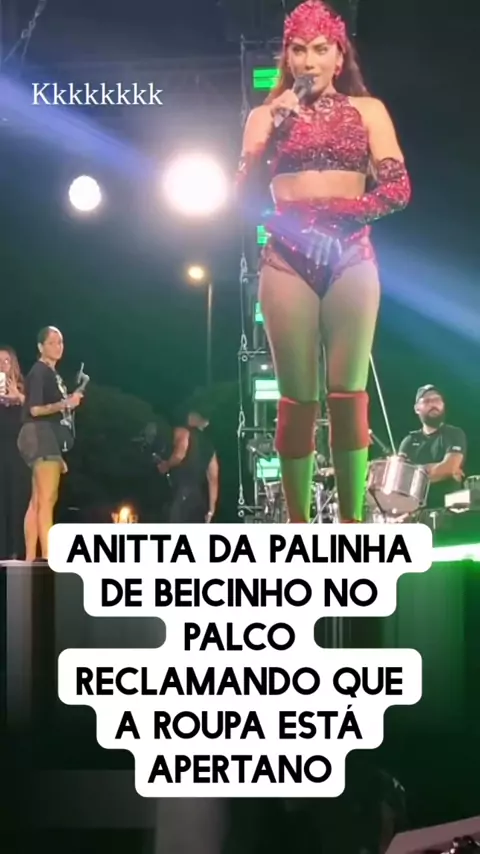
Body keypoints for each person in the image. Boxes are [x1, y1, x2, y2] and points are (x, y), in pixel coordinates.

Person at [237, 0, 411, 522]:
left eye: (320, 49)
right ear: (286, 57)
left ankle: (351, 527)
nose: (308, 61)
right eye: (298, 50)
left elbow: (398, 188)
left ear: (339, 55)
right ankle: (299, 528)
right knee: (297, 399)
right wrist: (271, 130)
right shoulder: (264, 117)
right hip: (287, 257)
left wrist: (334, 220)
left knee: (348, 393)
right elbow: (242, 199)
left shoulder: (368, 110)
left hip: (349, 252)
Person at [17, 327, 83, 560]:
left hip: (45, 437)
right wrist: (66, 404)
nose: (58, 346)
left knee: (37, 499)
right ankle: (46, 556)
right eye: (52, 342)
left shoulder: (52, 374)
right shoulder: (39, 371)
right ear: (40, 347)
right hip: (40, 434)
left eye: (60, 342)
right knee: (47, 498)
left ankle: (31, 556)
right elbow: (35, 409)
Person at [398, 385, 466, 509]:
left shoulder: (454, 433)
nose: (433, 404)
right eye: (427, 401)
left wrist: (414, 473)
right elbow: (400, 477)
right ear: (417, 408)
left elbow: (449, 467)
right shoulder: (409, 441)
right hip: (413, 511)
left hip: (448, 511)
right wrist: (438, 470)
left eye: (437, 400)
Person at [158, 409, 219, 522]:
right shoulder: (210, 447)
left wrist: (166, 465)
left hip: (180, 493)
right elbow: (213, 479)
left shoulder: (183, 432)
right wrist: (211, 510)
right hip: (198, 498)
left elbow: (179, 455)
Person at [0, 346, 30, 559]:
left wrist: (19, 398)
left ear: (13, 365)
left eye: (6, 361)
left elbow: (38, 413)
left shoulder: (25, 390)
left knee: (17, 500)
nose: (2, 366)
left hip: (18, 454)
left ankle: (16, 552)